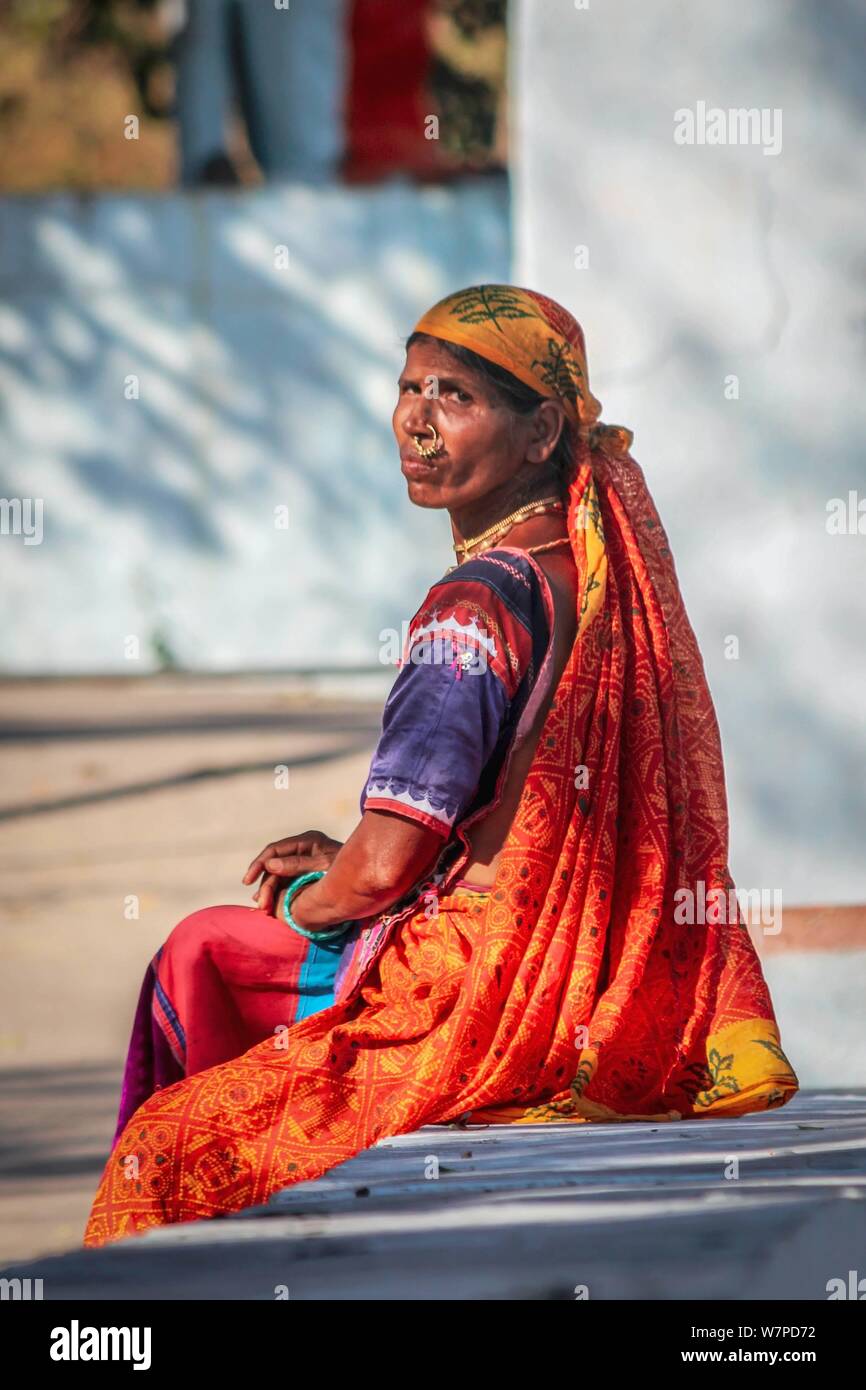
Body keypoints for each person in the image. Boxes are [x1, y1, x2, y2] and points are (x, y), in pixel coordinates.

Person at [84, 283, 798, 1247]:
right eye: (409, 388)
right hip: (598, 973)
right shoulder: (586, 572)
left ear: (543, 429)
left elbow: (381, 871)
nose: (416, 420)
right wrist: (361, 856)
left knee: (167, 1123)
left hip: (482, 988)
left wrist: (306, 903)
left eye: (455, 396)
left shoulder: (472, 606)